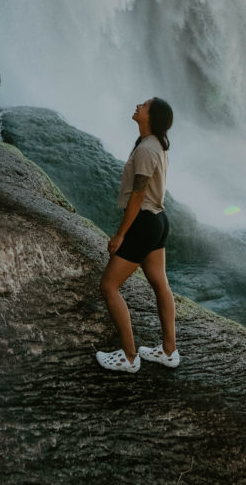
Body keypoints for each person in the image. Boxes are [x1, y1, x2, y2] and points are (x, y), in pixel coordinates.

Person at [96, 97, 180, 373]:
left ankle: (129, 357)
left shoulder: (146, 149)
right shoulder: (157, 145)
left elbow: (138, 194)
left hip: (144, 221)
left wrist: (121, 234)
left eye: (143, 105)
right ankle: (169, 351)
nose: (138, 106)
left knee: (109, 286)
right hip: (159, 220)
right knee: (160, 284)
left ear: (151, 116)